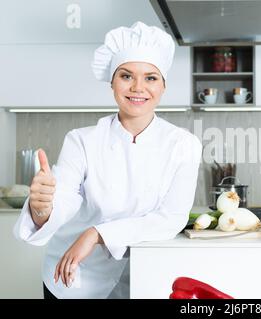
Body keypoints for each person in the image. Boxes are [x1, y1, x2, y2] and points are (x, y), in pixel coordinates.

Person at [13, 21, 202, 299]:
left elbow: (171, 218)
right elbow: (63, 200)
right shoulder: (81, 140)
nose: (138, 87)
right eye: (126, 76)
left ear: (163, 86)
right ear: (112, 83)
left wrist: (96, 233)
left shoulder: (184, 144)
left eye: (151, 77)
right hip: (75, 277)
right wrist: (41, 209)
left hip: (143, 276)